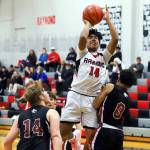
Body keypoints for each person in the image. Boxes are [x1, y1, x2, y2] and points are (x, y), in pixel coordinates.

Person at [60, 8, 118, 150]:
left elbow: (115, 39)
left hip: (92, 100)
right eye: (90, 37)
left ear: (99, 43)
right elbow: (82, 38)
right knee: (62, 133)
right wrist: (87, 23)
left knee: (90, 142)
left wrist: (108, 19)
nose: (93, 39)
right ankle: (73, 138)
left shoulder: (103, 57)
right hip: (75, 95)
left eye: (96, 38)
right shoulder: (82, 53)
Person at [4, 81, 62, 150]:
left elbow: (7, 142)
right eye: (44, 92)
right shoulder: (51, 112)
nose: (46, 93)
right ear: (41, 97)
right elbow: (55, 136)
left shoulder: (20, 116)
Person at [92, 69, 137, 150]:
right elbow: (128, 119)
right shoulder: (129, 99)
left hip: (105, 130)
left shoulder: (110, 87)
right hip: (119, 133)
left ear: (119, 78)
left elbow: (95, 105)